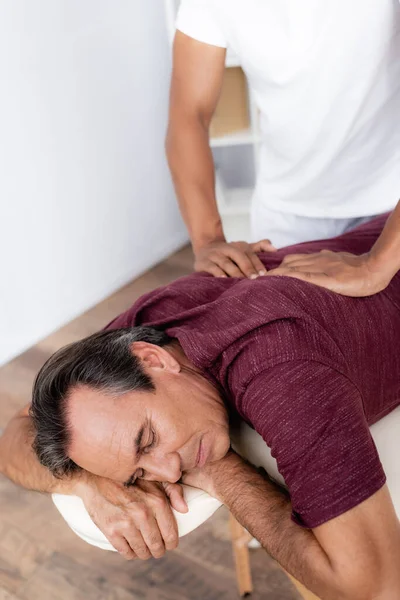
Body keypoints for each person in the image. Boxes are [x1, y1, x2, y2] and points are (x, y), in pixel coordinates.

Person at [1, 213, 400, 598]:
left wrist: (225, 477)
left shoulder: (280, 371)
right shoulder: (145, 327)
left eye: (147, 440)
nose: (171, 470)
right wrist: (85, 480)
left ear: (154, 361)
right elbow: (13, 440)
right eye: (139, 473)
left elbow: (373, 587)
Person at [166, 0, 400, 296]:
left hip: (391, 206)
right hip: (285, 218)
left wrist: (376, 265)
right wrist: (207, 239)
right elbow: (190, 115)